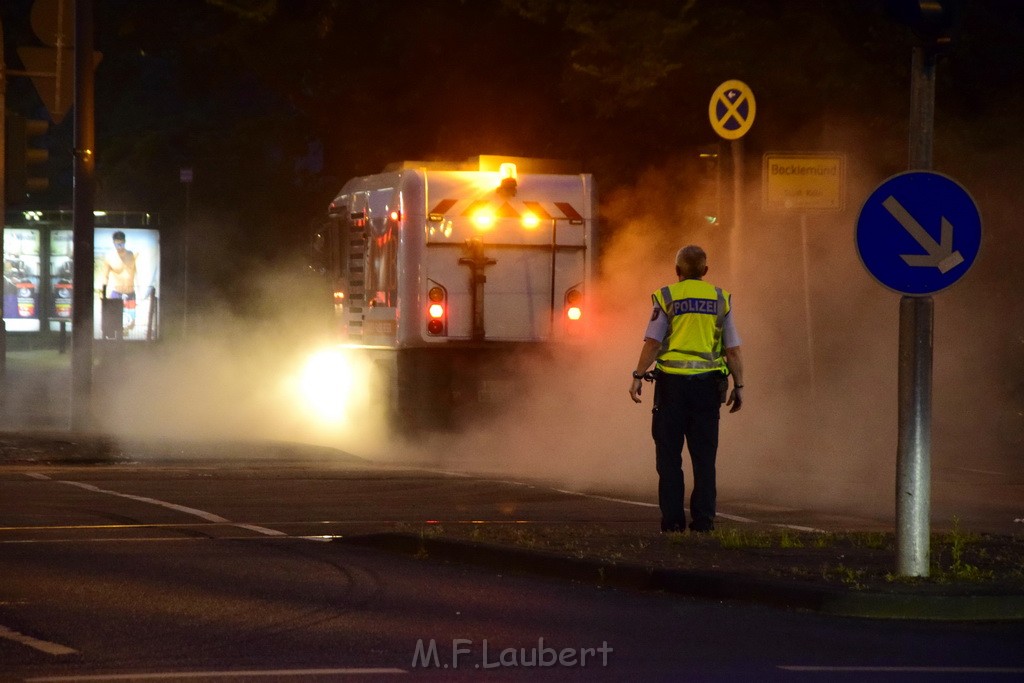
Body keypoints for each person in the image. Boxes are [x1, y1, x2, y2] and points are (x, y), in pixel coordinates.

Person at [629, 245, 745, 533]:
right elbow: (732, 350)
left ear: (677, 270)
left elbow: (653, 343)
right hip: (708, 390)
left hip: (672, 390)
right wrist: (739, 385)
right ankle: (703, 522)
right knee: (705, 459)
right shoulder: (720, 299)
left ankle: (672, 522)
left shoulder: (667, 297)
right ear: (705, 271)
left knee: (669, 458)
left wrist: (638, 375)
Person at [98, 231, 138, 334]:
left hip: (130, 293)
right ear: (113, 243)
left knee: (130, 323)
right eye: (117, 244)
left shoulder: (132, 255)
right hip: (116, 293)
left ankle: (125, 341)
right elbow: (105, 276)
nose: (119, 246)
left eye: (121, 244)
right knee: (114, 323)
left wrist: (142, 291)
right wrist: (103, 293)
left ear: (125, 242)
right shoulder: (110, 257)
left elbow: (138, 273)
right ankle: (116, 345)